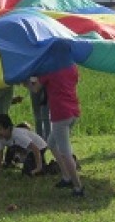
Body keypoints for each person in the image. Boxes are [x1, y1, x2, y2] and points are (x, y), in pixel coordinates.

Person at [36, 65, 84, 197]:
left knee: (65, 153)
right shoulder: (72, 67)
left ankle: (78, 187)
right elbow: (75, 80)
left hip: (60, 115)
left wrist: (24, 81)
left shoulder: (50, 69)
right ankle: (66, 177)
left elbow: (35, 88)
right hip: (73, 112)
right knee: (51, 143)